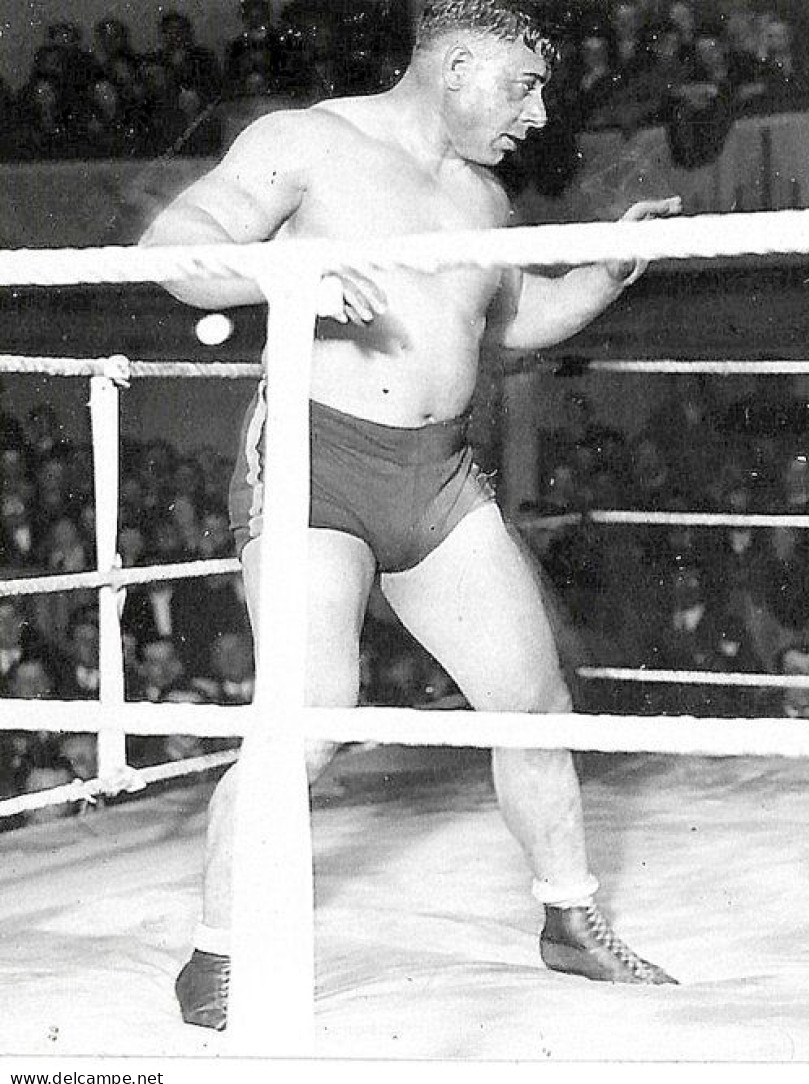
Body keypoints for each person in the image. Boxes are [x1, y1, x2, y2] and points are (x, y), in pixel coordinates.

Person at [140, 0, 682, 1031]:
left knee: (530, 694)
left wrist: (607, 269)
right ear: (457, 64)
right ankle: (218, 951)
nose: (537, 112)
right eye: (522, 86)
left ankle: (567, 917)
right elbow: (178, 243)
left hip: (436, 474)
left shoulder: (480, 195)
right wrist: (280, 272)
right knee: (307, 712)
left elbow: (522, 319)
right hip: (315, 459)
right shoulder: (308, 141)